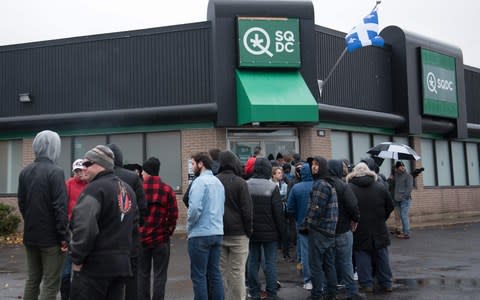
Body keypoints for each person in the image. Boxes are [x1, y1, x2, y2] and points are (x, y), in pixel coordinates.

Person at [69, 145, 138, 300]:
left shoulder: (94, 189)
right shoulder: (128, 190)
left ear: (100, 164)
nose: (83, 168)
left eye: (87, 164)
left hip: (95, 268)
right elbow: (134, 226)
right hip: (121, 267)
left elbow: (84, 227)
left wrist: (77, 257)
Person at [17, 130, 69, 300]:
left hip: (30, 235)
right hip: (51, 239)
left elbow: (22, 203)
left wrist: (32, 222)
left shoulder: (25, 172)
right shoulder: (56, 172)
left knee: (32, 279)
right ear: (54, 147)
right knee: (50, 282)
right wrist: (63, 236)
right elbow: (60, 207)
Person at [347, 162, 394, 293]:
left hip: (359, 228)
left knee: (362, 255)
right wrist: (381, 218)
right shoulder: (380, 186)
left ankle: (367, 284)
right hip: (379, 227)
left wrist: (351, 221)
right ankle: (386, 283)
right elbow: (390, 206)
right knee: (382, 254)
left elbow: (347, 208)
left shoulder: (349, 188)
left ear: (354, 173)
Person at [138, 157, 178, 300]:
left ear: (147, 171)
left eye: (143, 170)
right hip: (161, 239)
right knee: (160, 275)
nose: (141, 173)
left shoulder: (138, 189)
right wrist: (168, 231)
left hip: (141, 239)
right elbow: (173, 214)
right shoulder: (167, 189)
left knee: (142, 274)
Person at [187, 152, 225, 300]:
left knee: (199, 275)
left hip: (200, 234)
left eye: (193, 163)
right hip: (217, 232)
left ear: (201, 164)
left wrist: (190, 225)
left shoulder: (199, 182)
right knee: (215, 273)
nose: (192, 166)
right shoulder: (218, 182)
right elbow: (221, 207)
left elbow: (195, 208)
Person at [216, 150, 253, 300]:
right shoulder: (240, 182)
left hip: (218, 231)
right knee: (237, 271)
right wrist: (249, 230)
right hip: (239, 233)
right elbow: (247, 210)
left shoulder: (214, 180)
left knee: (221, 271)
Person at [247, 157, 285, 300]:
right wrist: (283, 235)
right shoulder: (272, 187)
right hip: (270, 232)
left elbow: (243, 209)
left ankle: (254, 292)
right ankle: (272, 294)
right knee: (270, 263)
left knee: (252, 262)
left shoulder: (246, 185)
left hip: (251, 231)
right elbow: (278, 213)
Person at [327, 159, 365, 300]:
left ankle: (330, 291)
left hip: (326, 232)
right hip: (343, 229)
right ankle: (351, 293)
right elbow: (353, 207)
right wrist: (355, 220)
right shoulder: (343, 186)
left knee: (328, 262)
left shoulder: (321, 184)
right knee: (346, 262)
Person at [306, 156, 338, 300]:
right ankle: (332, 293)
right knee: (329, 264)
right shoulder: (329, 183)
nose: (313, 167)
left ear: (323, 167)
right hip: (330, 231)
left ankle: (317, 294)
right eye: (312, 164)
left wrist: (308, 223)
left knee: (316, 265)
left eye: (317, 164)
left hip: (319, 231)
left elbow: (316, 208)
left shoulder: (320, 184)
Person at [61, 159, 88, 300]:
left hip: (85, 230)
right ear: (73, 171)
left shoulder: (91, 184)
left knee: (82, 267)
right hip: (70, 229)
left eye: (81, 170)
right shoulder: (68, 184)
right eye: (77, 171)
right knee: (66, 268)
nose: (79, 173)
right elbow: (63, 206)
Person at [286, 163, 314, 291]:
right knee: (321, 252)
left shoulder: (296, 188)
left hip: (302, 224)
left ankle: (308, 280)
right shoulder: (320, 185)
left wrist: (298, 217)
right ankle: (321, 280)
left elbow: (290, 208)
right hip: (319, 225)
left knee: (305, 253)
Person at [393, 161, 413, 239]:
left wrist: (404, 197)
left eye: (403, 166)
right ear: (397, 168)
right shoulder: (396, 175)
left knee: (404, 215)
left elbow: (409, 188)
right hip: (397, 199)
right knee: (399, 215)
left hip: (405, 199)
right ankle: (402, 231)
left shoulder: (408, 176)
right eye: (401, 166)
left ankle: (406, 233)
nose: (403, 167)